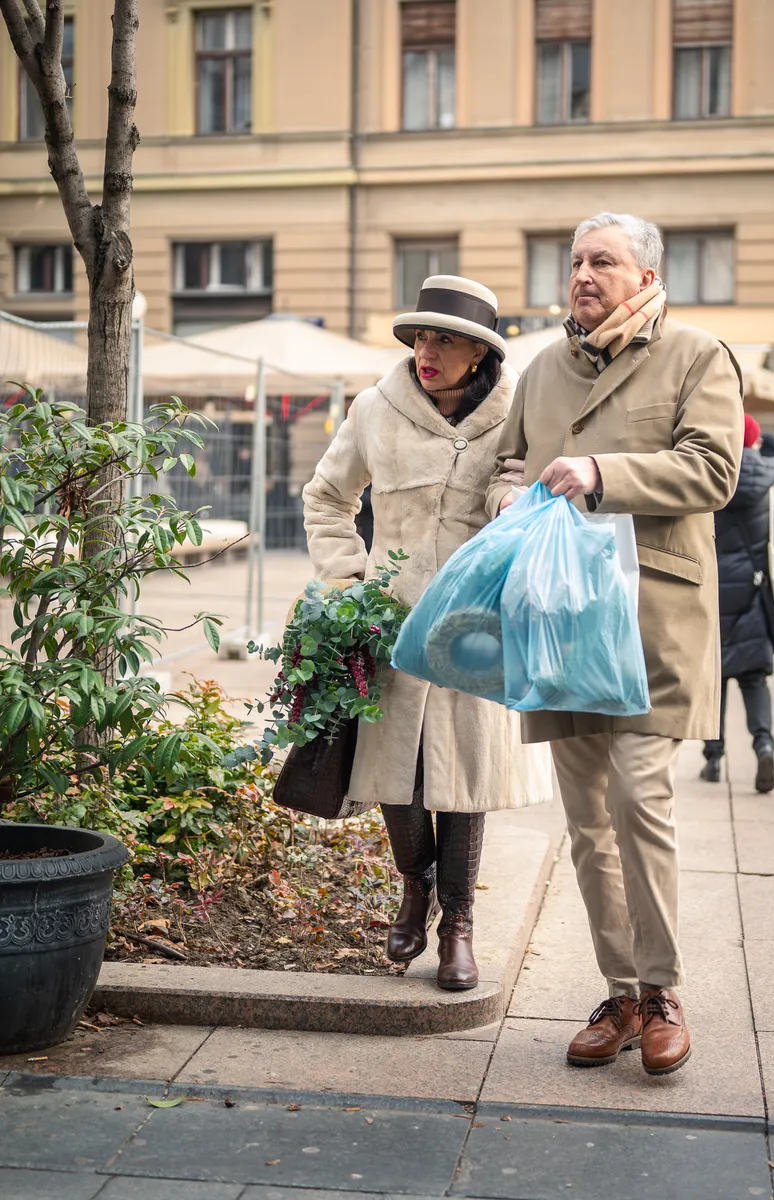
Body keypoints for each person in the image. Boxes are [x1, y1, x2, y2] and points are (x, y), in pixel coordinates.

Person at [487, 212, 742, 1076]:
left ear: (646, 276)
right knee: (587, 819)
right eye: (574, 262)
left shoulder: (697, 354)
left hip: (650, 621)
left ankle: (664, 989)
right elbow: (509, 463)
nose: (583, 275)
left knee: (641, 798)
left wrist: (604, 475)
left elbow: (714, 471)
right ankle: (623, 994)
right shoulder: (543, 368)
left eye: (603, 261)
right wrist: (505, 491)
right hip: (560, 621)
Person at [302, 275, 550, 991]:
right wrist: (349, 584)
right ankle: (416, 885)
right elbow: (326, 495)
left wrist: (512, 499)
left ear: (480, 352)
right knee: (396, 773)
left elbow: (524, 483)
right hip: (394, 621)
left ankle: (459, 924)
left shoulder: (517, 412)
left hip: (478, 625)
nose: (426, 350)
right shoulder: (376, 409)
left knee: (464, 777)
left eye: (444, 339)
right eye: (419, 336)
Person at [701, 415, 774, 793]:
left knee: (714, 677)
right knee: (754, 676)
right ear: (756, 442)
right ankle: (764, 743)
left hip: (712, 589)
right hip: (756, 589)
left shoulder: (710, 472)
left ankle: (713, 757)